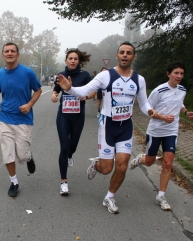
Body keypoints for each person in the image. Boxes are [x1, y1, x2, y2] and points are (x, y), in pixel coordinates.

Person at [57, 42, 156, 214]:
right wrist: (70, 89)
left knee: (123, 165)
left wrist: (151, 111)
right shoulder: (105, 77)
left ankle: (109, 197)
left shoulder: (139, 80)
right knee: (106, 168)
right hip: (107, 126)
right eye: (122, 52)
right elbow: (84, 90)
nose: (125, 55)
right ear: (117, 56)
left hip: (125, 127)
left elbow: (144, 102)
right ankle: (97, 165)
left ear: (134, 57)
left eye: (129, 53)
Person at [129, 61, 193, 210]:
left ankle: (161, 196)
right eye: (176, 73)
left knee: (168, 163)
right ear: (169, 74)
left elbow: (180, 103)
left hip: (171, 131)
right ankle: (141, 159)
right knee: (150, 162)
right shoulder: (159, 90)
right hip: (155, 131)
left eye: (181, 73)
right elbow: (148, 110)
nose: (179, 76)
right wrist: (162, 117)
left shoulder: (183, 89)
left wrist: (186, 112)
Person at [0, 42, 42, 198]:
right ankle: (14, 182)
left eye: (12, 51)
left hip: (24, 120)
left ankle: (28, 157)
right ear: (3, 54)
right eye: (6, 51)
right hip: (5, 119)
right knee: (7, 154)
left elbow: (38, 90)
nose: (9, 53)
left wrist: (29, 104)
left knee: (21, 155)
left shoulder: (27, 73)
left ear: (17, 54)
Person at [51, 49, 92, 195]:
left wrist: (85, 97)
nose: (73, 61)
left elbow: (93, 92)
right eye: (70, 58)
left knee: (72, 146)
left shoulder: (85, 75)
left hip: (78, 116)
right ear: (66, 60)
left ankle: (70, 155)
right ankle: (64, 182)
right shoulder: (60, 76)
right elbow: (56, 90)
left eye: (75, 58)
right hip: (63, 115)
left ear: (79, 61)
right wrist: (54, 96)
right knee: (64, 146)